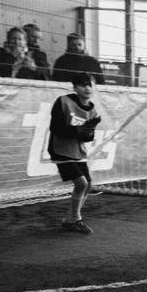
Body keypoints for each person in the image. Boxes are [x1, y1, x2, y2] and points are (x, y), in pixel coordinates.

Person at [47, 72, 102, 235]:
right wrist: (80, 129)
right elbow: (56, 128)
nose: (87, 88)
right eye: (83, 84)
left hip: (77, 151)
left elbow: (88, 138)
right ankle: (75, 219)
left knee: (88, 185)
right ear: (75, 87)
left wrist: (89, 130)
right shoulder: (63, 102)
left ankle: (70, 219)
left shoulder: (93, 111)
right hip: (60, 150)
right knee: (82, 184)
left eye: (90, 84)